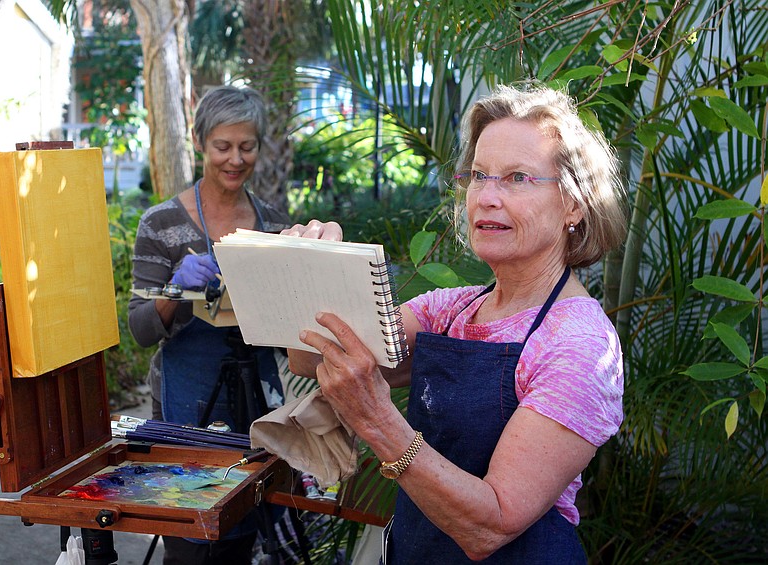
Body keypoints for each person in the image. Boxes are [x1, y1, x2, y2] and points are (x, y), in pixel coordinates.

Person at [284, 82, 628, 563]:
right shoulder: (451, 311)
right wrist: (306, 267)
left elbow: (491, 527)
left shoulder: (579, 345)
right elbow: (308, 357)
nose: (486, 197)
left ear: (574, 204)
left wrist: (378, 422)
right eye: (479, 175)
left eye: (517, 179)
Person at [128, 85, 291, 565]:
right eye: (223, 146)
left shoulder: (275, 227)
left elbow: (287, 330)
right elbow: (139, 330)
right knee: (189, 537)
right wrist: (176, 290)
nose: (235, 159)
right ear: (200, 143)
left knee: (241, 534)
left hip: (255, 406)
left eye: (248, 146)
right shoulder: (162, 224)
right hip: (186, 404)